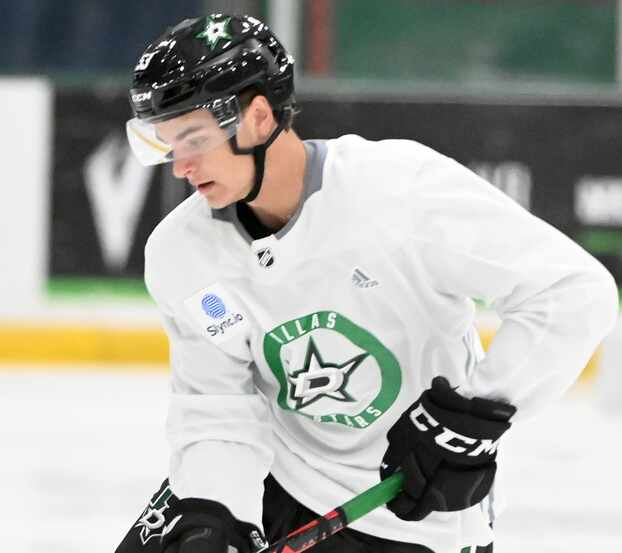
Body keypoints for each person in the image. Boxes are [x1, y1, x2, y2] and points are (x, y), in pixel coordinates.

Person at [115, 14, 619, 553]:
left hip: (412, 513)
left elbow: (573, 292)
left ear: (257, 118)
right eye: (167, 144)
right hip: (271, 477)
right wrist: (213, 516)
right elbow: (216, 404)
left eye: (193, 139)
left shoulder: (399, 194)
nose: (180, 166)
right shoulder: (182, 253)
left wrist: (473, 418)